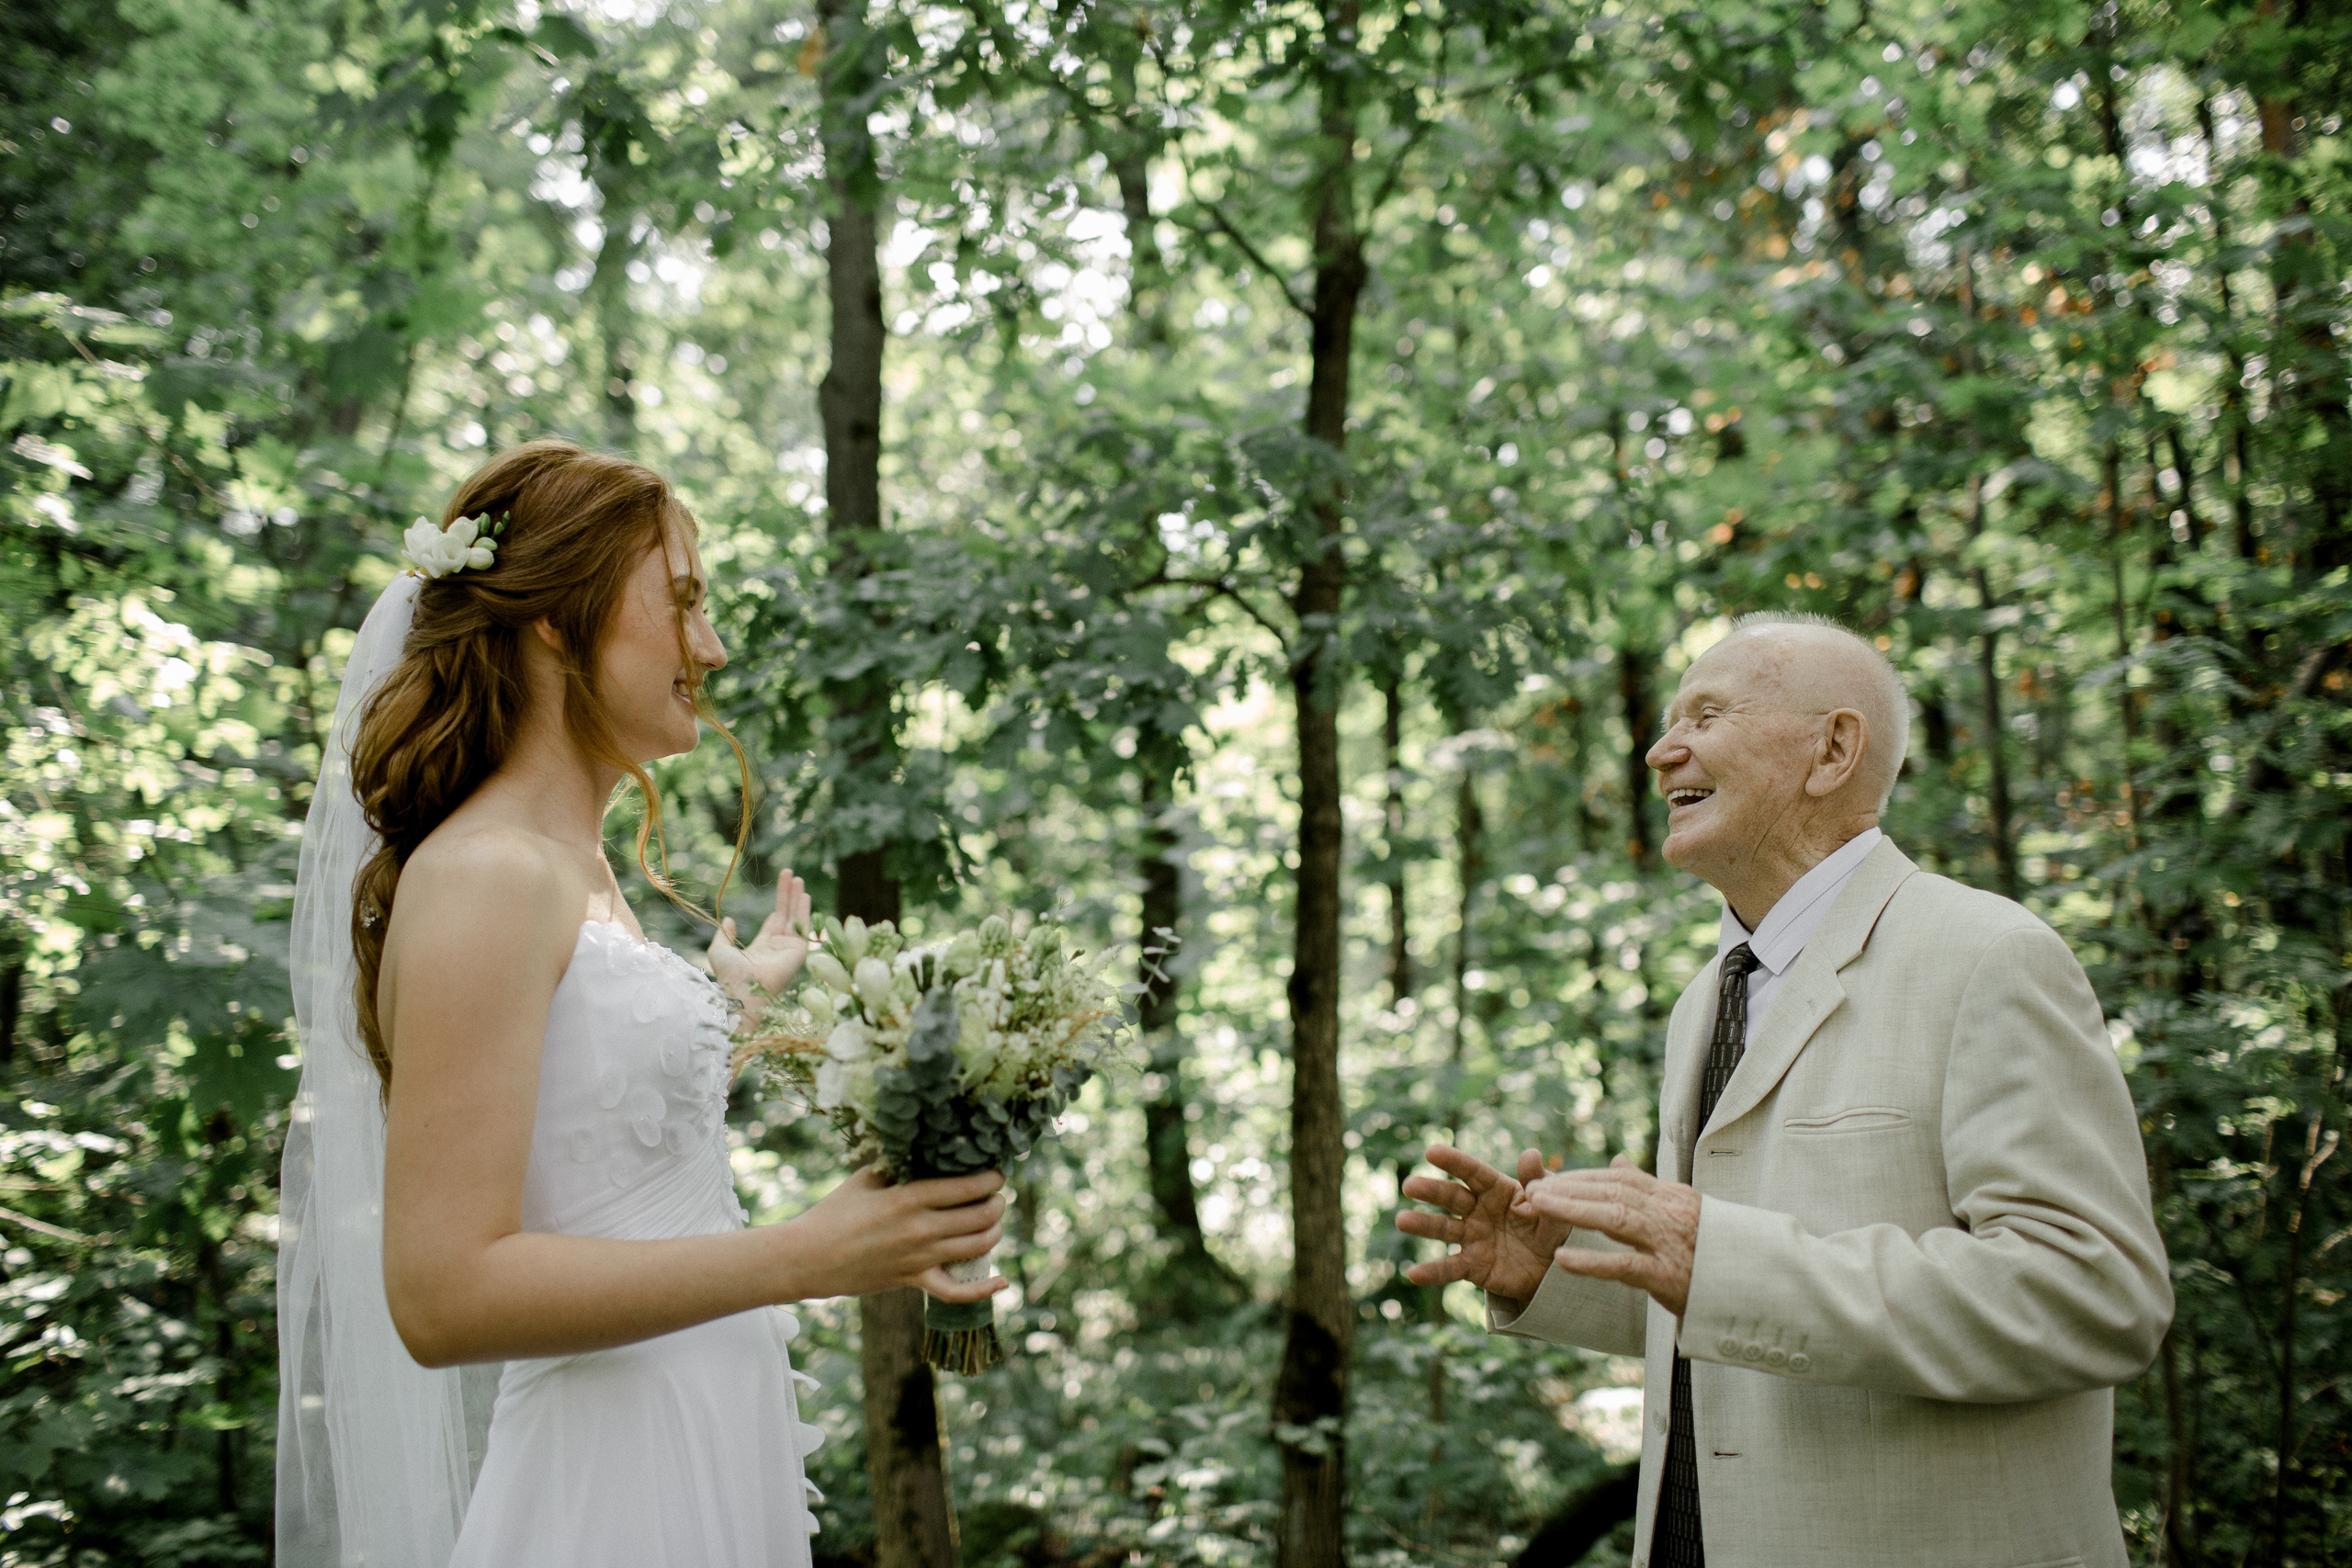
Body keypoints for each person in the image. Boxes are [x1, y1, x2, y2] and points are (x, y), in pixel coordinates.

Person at [276, 440, 1008, 1568]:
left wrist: (727, 1012)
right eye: (681, 605)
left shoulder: (577, 866)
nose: (710, 649)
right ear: (556, 623)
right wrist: (807, 1255)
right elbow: (441, 1295)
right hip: (609, 1480)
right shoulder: (487, 874)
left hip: (706, 1425)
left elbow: (586, 1142)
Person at [1396, 613, 2172, 1568]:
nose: (1658, 749)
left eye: (1706, 714)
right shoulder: (1705, 999)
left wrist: (1708, 1253)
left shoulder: (1987, 956)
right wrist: (1553, 1273)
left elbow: (2093, 1297)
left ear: (1831, 750)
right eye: (1668, 721)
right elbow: (1739, 1307)